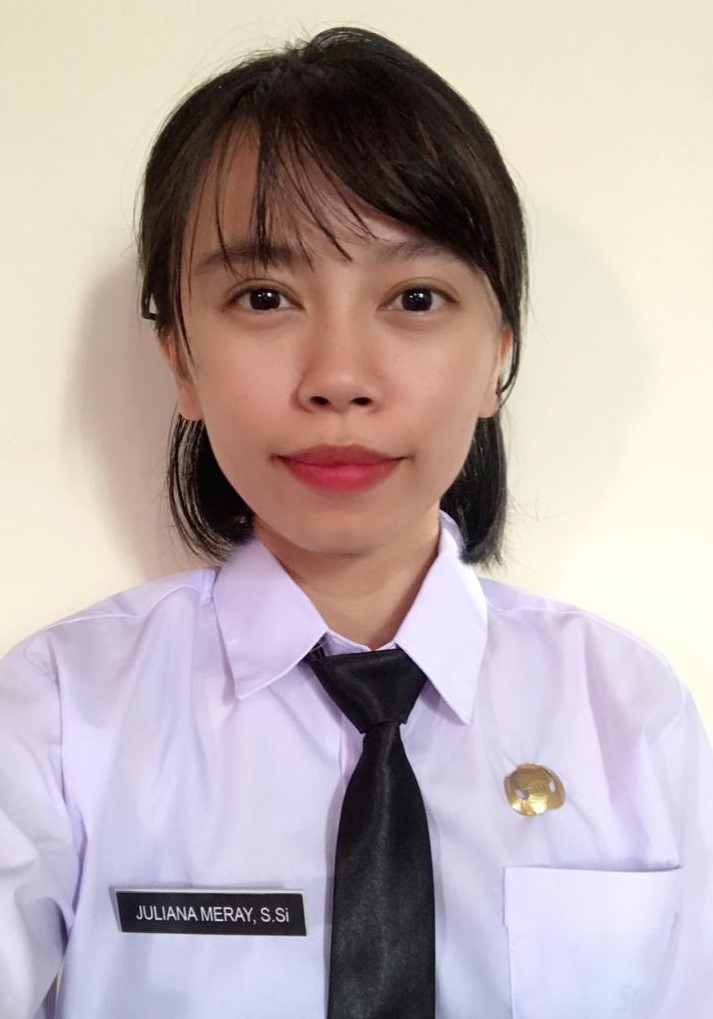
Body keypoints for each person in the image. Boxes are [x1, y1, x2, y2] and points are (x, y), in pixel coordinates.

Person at [1, 24, 711, 1019]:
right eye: (264, 296)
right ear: (181, 362)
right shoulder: (57, 716)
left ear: (496, 358)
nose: (338, 376)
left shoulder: (628, 713)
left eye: (414, 296)